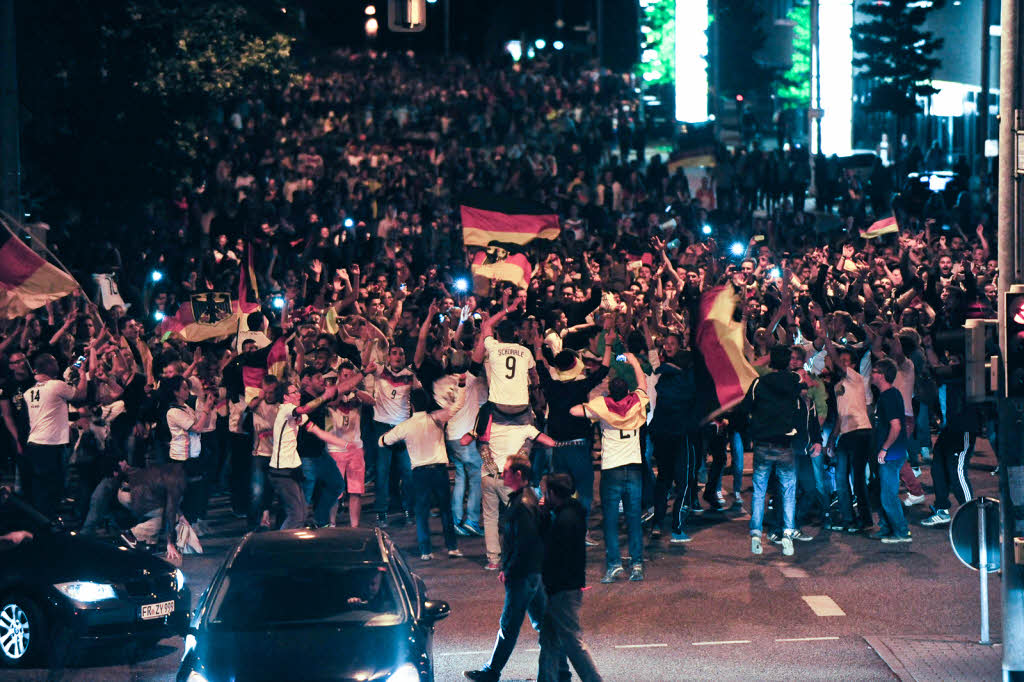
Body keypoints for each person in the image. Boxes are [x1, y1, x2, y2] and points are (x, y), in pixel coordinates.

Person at [464, 454, 547, 682]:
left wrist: (508, 569)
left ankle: (491, 673)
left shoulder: (522, 504)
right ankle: (555, 672)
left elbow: (524, 543)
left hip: (523, 576)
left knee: (509, 626)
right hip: (531, 574)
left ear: (518, 475)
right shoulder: (525, 498)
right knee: (545, 627)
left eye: (507, 471)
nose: (502, 474)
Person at [572, 351, 649, 583]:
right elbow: (643, 384)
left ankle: (614, 565)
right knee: (634, 519)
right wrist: (634, 362)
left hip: (612, 469)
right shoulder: (637, 401)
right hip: (634, 467)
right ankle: (636, 564)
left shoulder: (603, 407)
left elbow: (575, 411)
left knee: (611, 521)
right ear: (627, 391)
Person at [377, 378, 467, 559]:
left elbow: (383, 442)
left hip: (419, 473)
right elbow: (458, 405)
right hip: (439, 470)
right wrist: (462, 386)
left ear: (411, 405)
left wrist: (385, 437)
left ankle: (426, 551)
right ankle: (452, 547)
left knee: (421, 512)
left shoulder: (406, 426)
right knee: (445, 510)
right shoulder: (436, 418)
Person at [537, 473, 603, 682]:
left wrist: (544, 515)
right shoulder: (572, 512)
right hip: (564, 585)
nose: (543, 495)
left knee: (572, 641)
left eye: (546, 492)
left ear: (553, 493)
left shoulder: (564, 520)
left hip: (561, 588)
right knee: (549, 638)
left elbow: (551, 552)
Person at [740, 345, 804, 557]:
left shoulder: (759, 383)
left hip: (763, 443)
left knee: (759, 490)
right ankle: (787, 534)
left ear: (770, 362)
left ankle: (756, 534)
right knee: (788, 490)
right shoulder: (793, 382)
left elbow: (744, 408)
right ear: (787, 362)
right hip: (785, 443)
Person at [23, 353, 88, 517]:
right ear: (49, 366)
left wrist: (81, 359)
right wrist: (82, 374)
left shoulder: (28, 392)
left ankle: (43, 522)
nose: (58, 364)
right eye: (54, 361)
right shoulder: (56, 385)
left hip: (34, 444)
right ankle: (48, 524)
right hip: (49, 445)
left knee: (41, 487)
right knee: (52, 487)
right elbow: (80, 395)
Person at [870, 358, 913, 543]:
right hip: (890, 453)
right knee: (881, 491)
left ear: (882, 375)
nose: (871, 374)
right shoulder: (888, 395)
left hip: (891, 454)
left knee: (888, 495)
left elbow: (895, 427)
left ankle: (902, 532)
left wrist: (884, 449)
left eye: (874, 371)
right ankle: (887, 528)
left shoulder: (889, 397)